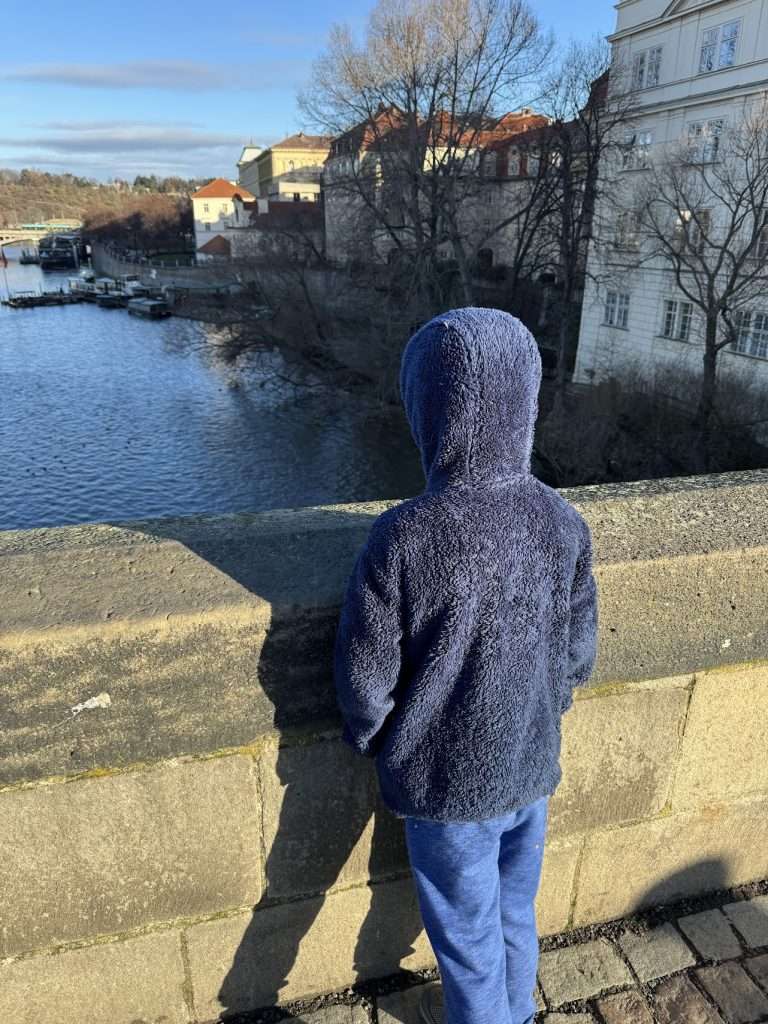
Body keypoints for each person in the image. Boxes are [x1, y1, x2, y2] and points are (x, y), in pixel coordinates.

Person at [334, 307, 598, 1024]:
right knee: (516, 915)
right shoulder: (561, 520)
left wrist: (377, 739)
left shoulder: (404, 535)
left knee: (469, 940)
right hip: (531, 765)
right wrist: (550, 709)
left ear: (428, 410)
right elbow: (578, 651)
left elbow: (366, 678)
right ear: (527, 403)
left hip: (446, 786)